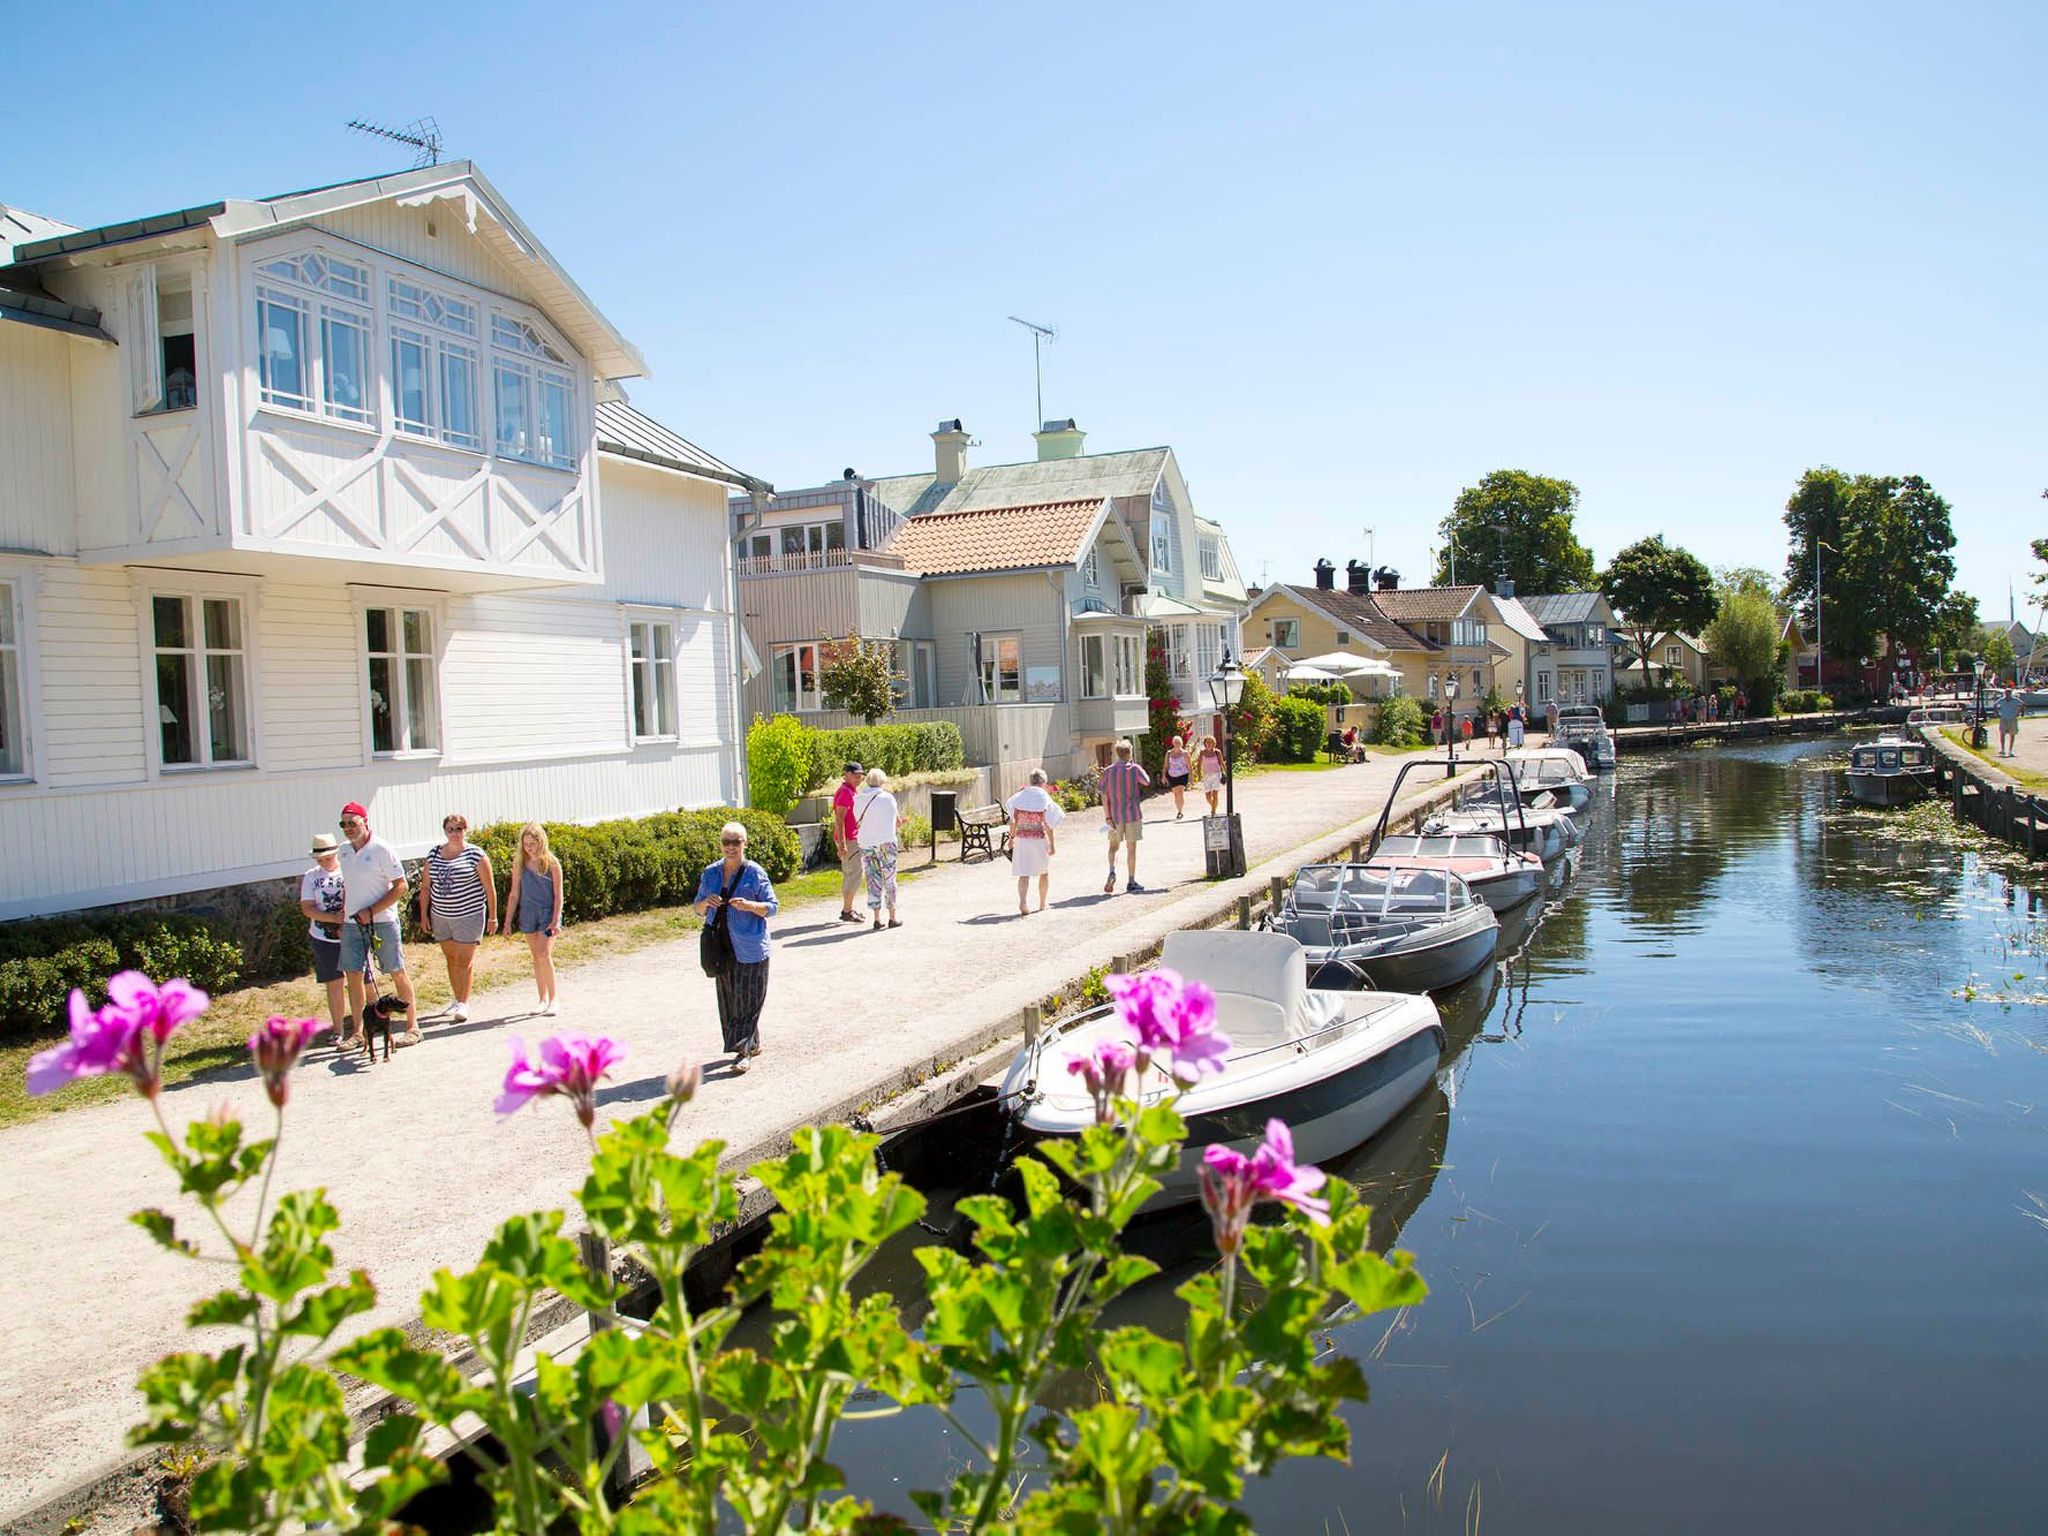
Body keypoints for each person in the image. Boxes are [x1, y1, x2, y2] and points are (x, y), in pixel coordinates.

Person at [694, 821, 778, 1071]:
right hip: (720, 945)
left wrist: (750, 906)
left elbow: (772, 907)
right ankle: (751, 1044)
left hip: (751, 946)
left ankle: (743, 1054)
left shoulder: (754, 873)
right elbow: (697, 908)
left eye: (736, 842)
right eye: (726, 842)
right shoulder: (710, 873)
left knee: (749, 999)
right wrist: (706, 903)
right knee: (730, 1000)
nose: (730, 847)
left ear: (745, 844)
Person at [336, 802, 418, 1046]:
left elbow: (401, 886)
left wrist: (371, 911)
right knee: (353, 975)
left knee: (396, 971)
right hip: (353, 923)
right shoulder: (343, 851)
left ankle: (413, 1027)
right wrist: (345, 911)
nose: (349, 828)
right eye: (344, 824)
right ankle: (359, 1033)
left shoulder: (382, 849)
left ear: (365, 821)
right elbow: (349, 885)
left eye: (353, 822)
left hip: (382, 921)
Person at [420, 813, 495, 1023]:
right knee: (451, 958)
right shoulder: (434, 854)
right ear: (445, 831)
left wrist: (493, 917)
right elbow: (425, 887)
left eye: (459, 829)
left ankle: (464, 1002)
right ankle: (456, 998)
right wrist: (424, 914)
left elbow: (489, 889)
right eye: (451, 829)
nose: (455, 833)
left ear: (465, 830)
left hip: (469, 915)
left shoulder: (476, 855)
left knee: (464, 960)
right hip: (441, 915)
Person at [501, 822, 564, 1015]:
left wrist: (555, 919)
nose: (529, 847)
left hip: (547, 913)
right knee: (536, 956)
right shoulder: (520, 864)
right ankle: (541, 999)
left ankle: (554, 999)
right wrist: (507, 922)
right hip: (528, 913)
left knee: (544, 953)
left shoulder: (552, 863)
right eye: (525, 843)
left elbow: (558, 894)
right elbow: (514, 894)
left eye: (532, 843)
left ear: (540, 841)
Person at [299, 833, 352, 1045]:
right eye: (320, 859)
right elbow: (307, 907)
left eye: (328, 858)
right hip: (323, 936)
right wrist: (332, 918)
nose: (324, 862)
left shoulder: (348, 870)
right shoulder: (312, 876)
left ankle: (364, 1024)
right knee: (334, 983)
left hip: (351, 933)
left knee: (362, 980)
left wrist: (344, 921)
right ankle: (338, 1029)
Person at [1007, 769, 1065, 914]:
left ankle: (1023, 902)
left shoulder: (1019, 796)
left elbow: (1013, 821)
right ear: (1044, 782)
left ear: (1031, 781)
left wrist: (1011, 838)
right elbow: (1049, 824)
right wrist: (1052, 844)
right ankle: (1042, 903)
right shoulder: (1044, 797)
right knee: (1043, 872)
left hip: (1021, 838)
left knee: (1024, 873)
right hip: (1038, 838)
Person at [1101, 739, 1152, 894]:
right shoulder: (1134, 768)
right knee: (1131, 849)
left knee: (1113, 848)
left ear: (1117, 753)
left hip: (1114, 816)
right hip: (1132, 814)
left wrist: (1107, 816)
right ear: (1129, 752)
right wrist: (1134, 764)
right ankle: (1131, 881)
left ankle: (1112, 870)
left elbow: (1103, 794)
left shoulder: (1108, 771)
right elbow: (1147, 781)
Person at [853, 767, 901, 930]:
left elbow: (856, 819)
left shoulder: (858, 798)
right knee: (890, 878)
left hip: (866, 843)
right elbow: (896, 821)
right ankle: (892, 916)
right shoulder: (888, 798)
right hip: (887, 841)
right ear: (882, 781)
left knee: (872, 879)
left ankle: (876, 917)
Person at [831, 761, 865, 924]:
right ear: (847, 774)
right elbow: (840, 818)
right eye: (856, 775)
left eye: (861, 776)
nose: (859, 778)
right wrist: (843, 843)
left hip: (850, 837)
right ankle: (847, 910)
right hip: (849, 839)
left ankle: (848, 908)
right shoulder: (845, 792)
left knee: (851, 873)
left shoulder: (850, 791)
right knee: (854, 874)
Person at [1163, 735, 1192, 819]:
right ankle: (1179, 809)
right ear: (1173, 743)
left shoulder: (1185, 753)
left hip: (1183, 775)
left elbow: (1189, 766)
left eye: (1178, 743)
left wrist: (1191, 778)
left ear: (1181, 744)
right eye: (1175, 743)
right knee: (1176, 795)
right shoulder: (1169, 753)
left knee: (1180, 793)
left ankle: (1180, 811)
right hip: (1172, 776)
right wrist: (1163, 776)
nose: (1177, 744)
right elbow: (1165, 765)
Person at [1197, 735, 1226, 817]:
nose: (1209, 744)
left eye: (1211, 742)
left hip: (1216, 775)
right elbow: (1199, 764)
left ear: (1214, 743)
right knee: (1208, 796)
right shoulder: (1202, 752)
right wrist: (1199, 775)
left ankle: (1213, 812)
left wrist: (1225, 772)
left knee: (1215, 794)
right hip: (1206, 775)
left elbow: (1222, 763)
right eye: (1207, 742)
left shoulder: (1217, 752)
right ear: (1205, 743)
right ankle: (1214, 805)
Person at [1997, 688, 2021, 757]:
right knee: (2002, 733)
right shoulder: (2001, 700)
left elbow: (2022, 704)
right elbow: (1995, 705)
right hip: (2003, 718)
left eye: (2009, 692)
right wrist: (1998, 714)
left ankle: (2010, 750)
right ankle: (2002, 749)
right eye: (2006, 692)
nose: (2007, 694)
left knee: (2012, 734)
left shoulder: (2015, 700)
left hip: (2012, 718)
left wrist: (2018, 712)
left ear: (2011, 693)